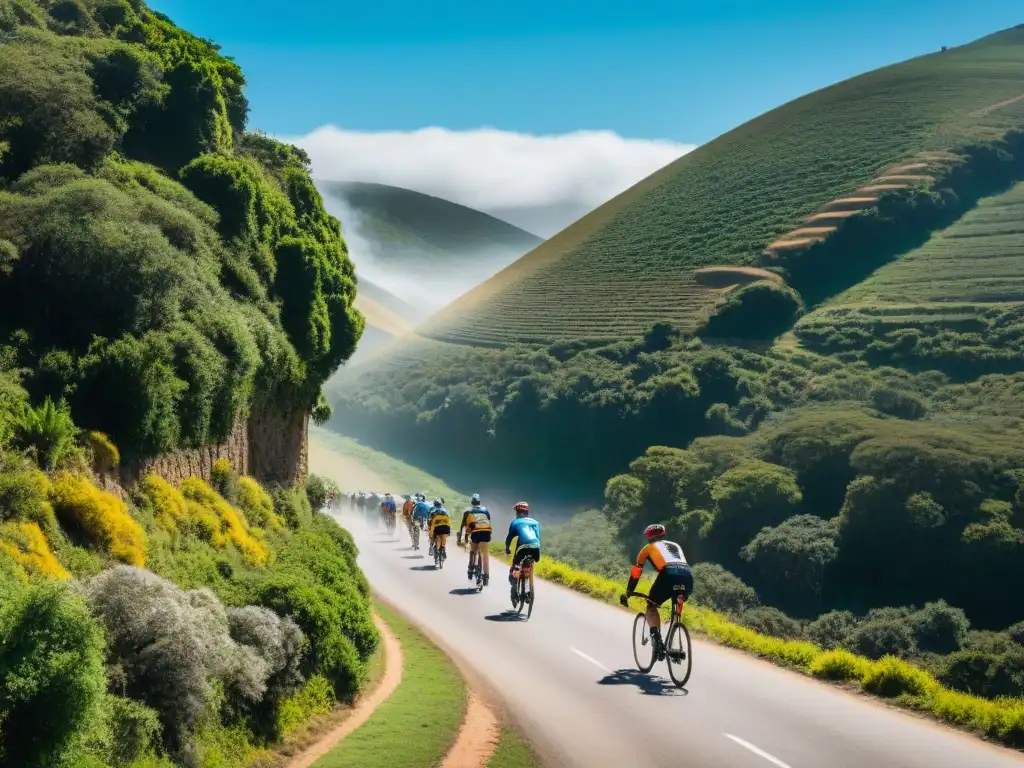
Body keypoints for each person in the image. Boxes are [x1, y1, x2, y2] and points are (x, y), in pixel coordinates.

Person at [619, 524, 693, 659]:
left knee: (651, 605)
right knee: (677, 601)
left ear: (649, 538)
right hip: (687, 576)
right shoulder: (675, 545)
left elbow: (636, 573)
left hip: (668, 574)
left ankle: (657, 641)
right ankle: (674, 630)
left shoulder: (647, 549)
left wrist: (629, 592)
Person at [505, 501, 541, 605]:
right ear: (527, 512)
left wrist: (507, 548)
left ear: (517, 512)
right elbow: (537, 537)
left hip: (522, 548)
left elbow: (509, 538)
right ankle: (529, 586)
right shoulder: (535, 522)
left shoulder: (515, 522)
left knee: (516, 565)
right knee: (531, 561)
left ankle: (514, 589)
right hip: (535, 548)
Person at [456, 493, 491, 586]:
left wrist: (460, 539)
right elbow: (488, 521)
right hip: (486, 533)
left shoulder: (468, 511)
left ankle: (471, 567)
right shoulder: (485, 510)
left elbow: (463, 525)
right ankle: (486, 577)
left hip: (476, 532)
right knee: (485, 556)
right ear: (479, 502)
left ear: (472, 503)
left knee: (473, 550)